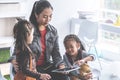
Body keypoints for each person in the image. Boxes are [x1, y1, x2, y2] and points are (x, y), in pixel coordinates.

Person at [10, 0, 68, 80]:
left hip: (45, 66)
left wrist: (60, 65)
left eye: (50, 16)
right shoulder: (28, 30)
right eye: (45, 16)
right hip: (30, 68)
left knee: (64, 77)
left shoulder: (53, 31)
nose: (48, 19)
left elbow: (56, 53)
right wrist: (14, 60)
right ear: (36, 14)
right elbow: (18, 49)